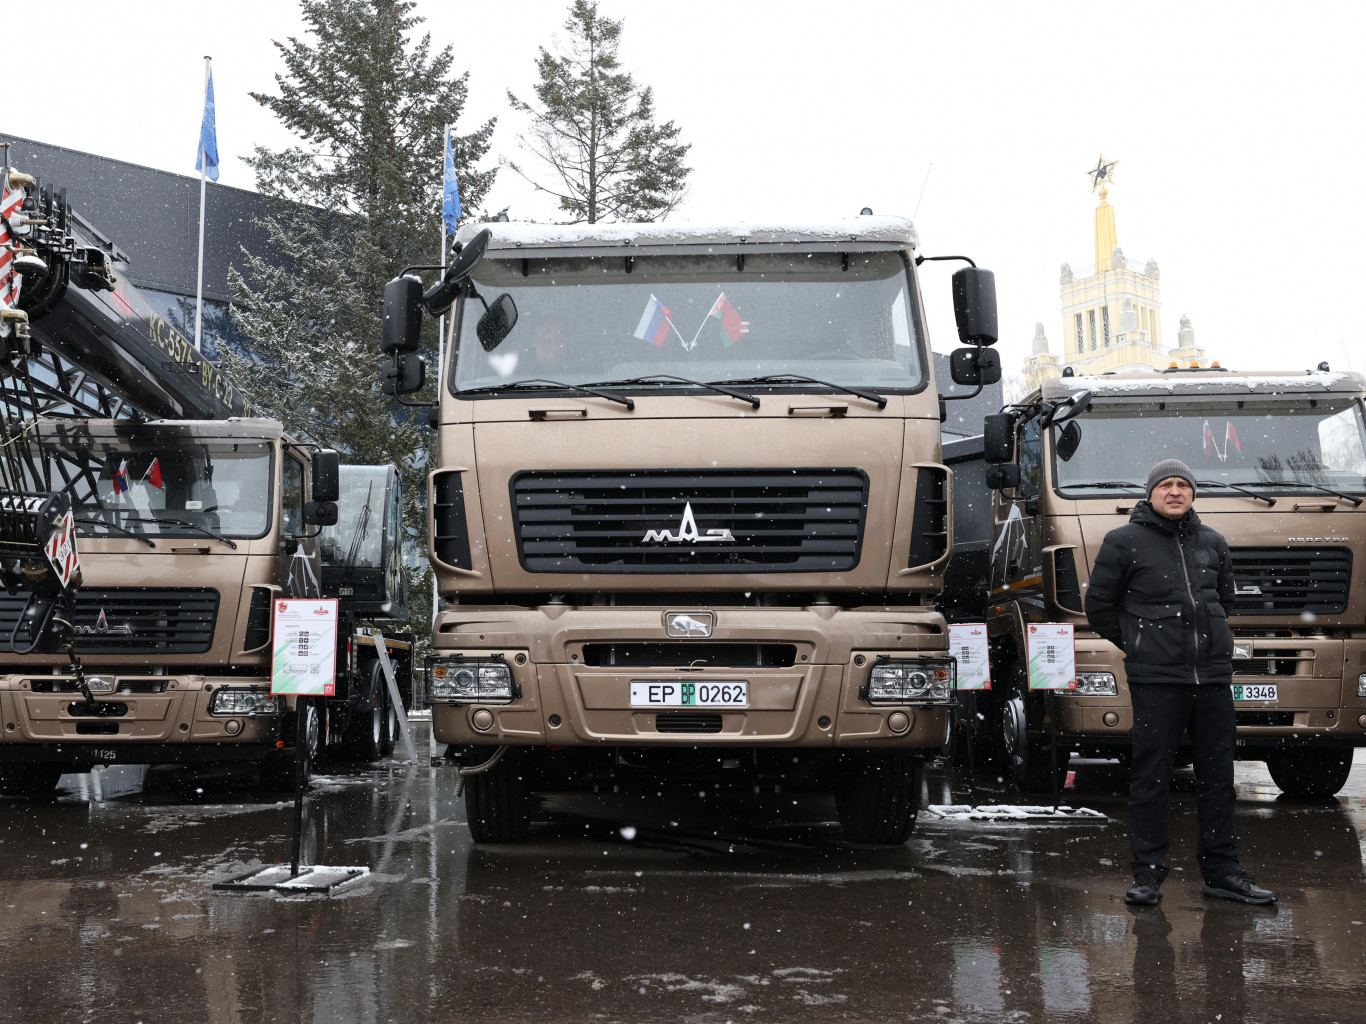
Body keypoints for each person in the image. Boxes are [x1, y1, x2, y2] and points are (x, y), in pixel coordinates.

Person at [1085, 458, 1276, 907]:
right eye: (1166, 485)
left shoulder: (1212, 542)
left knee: (1218, 779)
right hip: (1157, 681)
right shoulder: (1123, 542)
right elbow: (1099, 608)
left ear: (1192, 493)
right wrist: (1141, 644)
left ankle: (1222, 872)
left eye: (1182, 485)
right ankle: (1148, 875)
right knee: (1151, 778)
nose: (1175, 492)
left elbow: (1223, 601)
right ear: (1150, 493)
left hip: (1211, 679)